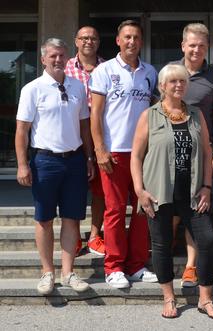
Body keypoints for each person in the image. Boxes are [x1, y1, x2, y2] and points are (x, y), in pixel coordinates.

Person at [131, 64, 213, 319]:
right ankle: (169, 298)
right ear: (162, 86)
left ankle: (205, 300)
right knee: (161, 244)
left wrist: (206, 186)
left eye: (182, 81)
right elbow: (136, 156)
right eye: (173, 82)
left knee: (208, 241)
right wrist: (140, 190)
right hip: (159, 192)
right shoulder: (149, 115)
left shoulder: (195, 115)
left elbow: (206, 152)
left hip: (192, 192)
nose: (178, 85)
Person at [15, 38, 93, 294]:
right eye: (53, 56)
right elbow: (22, 131)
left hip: (74, 161)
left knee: (72, 218)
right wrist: (22, 164)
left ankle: (68, 272)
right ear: (43, 59)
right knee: (44, 219)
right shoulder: (32, 89)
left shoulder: (78, 87)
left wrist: (89, 157)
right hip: (45, 161)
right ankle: (47, 272)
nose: (58, 60)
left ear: (67, 56)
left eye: (61, 55)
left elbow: (84, 126)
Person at [89, 20, 158, 288]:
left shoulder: (150, 72)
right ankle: (114, 266)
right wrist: (100, 150)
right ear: (118, 40)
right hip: (114, 153)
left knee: (142, 209)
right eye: (127, 37)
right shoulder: (104, 70)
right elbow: (95, 114)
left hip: (142, 153)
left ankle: (137, 265)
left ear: (141, 42)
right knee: (115, 211)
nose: (132, 42)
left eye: (136, 38)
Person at [167, 23, 213, 288]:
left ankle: (190, 267)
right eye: (192, 44)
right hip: (169, 155)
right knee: (169, 210)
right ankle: (164, 261)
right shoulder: (171, 72)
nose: (196, 49)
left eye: (202, 45)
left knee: (196, 210)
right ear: (183, 45)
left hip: (200, 155)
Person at [64, 26, 106, 256]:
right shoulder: (65, 67)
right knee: (75, 189)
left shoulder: (108, 67)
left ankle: (94, 235)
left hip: (100, 135)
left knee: (99, 190)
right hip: (72, 136)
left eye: (93, 38)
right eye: (84, 38)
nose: (88, 41)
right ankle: (74, 235)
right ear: (76, 41)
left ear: (98, 42)